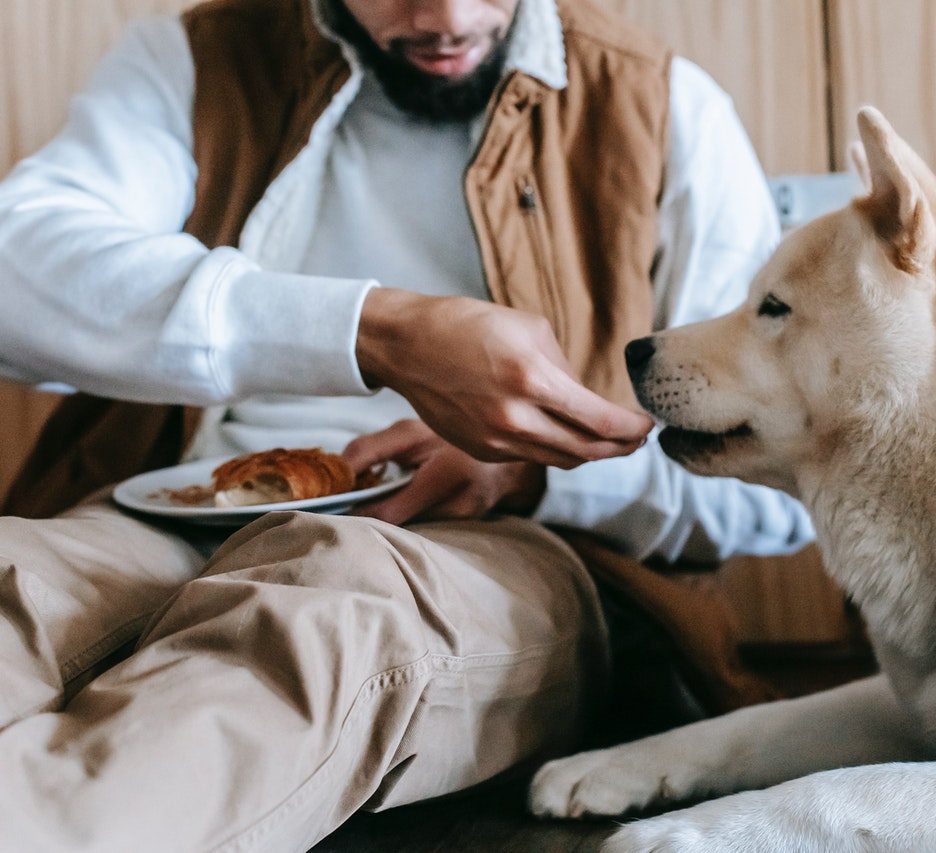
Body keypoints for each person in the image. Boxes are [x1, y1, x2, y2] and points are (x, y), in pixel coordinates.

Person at [0, 0, 814, 849]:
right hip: (183, 504)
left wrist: (532, 468)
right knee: (20, 579)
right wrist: (372, 330)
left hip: (492, 544)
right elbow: (13, 275)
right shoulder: (199, 60)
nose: (448, 17)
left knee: (321, 621)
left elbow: (780, 487)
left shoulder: (662, 107)